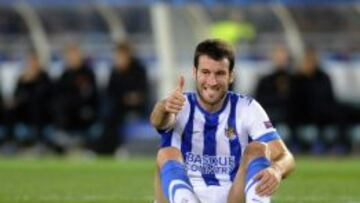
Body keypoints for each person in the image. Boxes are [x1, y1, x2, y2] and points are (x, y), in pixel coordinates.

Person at [150, 39, 295, 203]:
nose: (212, 81)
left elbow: (286, 156)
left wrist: (276, 169)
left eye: (219, 73)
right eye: (205, 72)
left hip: (232, 196)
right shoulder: (179, 104)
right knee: (166, 153)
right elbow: (158, 121)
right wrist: (163, 106)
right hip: (185, 192)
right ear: (194, 72)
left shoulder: (247, 108)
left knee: (258, 148)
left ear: (231, 76)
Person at [97, 41, 148, 154]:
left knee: (113, 118)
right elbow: (110, 93)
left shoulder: (139, 70)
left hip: (135, 109)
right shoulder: (115, 72)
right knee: (108, 117)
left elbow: (140, 95)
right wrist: (126, 97)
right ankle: (106, 149)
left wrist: (127, 98)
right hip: (118, 108)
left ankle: (111, 149)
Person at [51, 44, 98, 149]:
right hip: (68, 112)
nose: (72, 58)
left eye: (74, 55)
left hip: (84, 110)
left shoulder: (88, 73)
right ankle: (64, 138)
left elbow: (90, 95)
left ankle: (74, 142)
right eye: (70, 56)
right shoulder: (65, 74)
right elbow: (58, 94)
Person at [10, 52, 52, 145]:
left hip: (42, 118)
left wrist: (30, 82)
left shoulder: (44, 78)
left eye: (34, 61)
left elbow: (42, 96)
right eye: (29, 62)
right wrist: (25, 82)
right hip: (24, 117)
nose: (32, 64)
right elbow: (17, 97)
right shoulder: (22, 79)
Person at [255, 45, 292, 125]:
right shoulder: (265, 80)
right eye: (278, 57)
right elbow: (259, 102)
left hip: (290, 121)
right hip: (270, 119)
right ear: (273, 58)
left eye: (283, 57)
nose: (281, 60)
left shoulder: (294, 80)